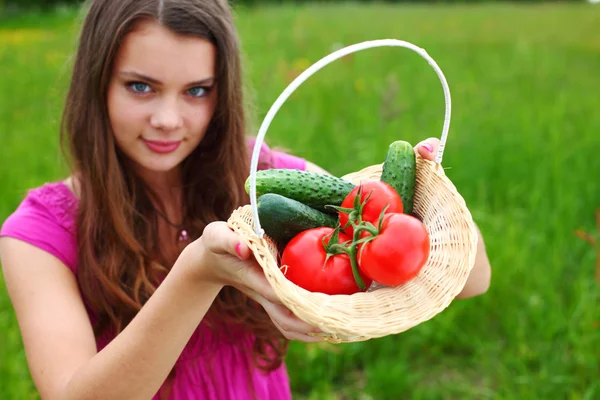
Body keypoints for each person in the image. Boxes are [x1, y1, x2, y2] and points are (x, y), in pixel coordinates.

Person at [0, 0, 492, 399]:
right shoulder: (39, 234)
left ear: (222, 92)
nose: (169, 119)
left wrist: (421, 197)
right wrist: (197, 273)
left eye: (196, 91)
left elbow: (473, 280)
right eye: (140, 87)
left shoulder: (266, 177)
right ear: (96, 86)